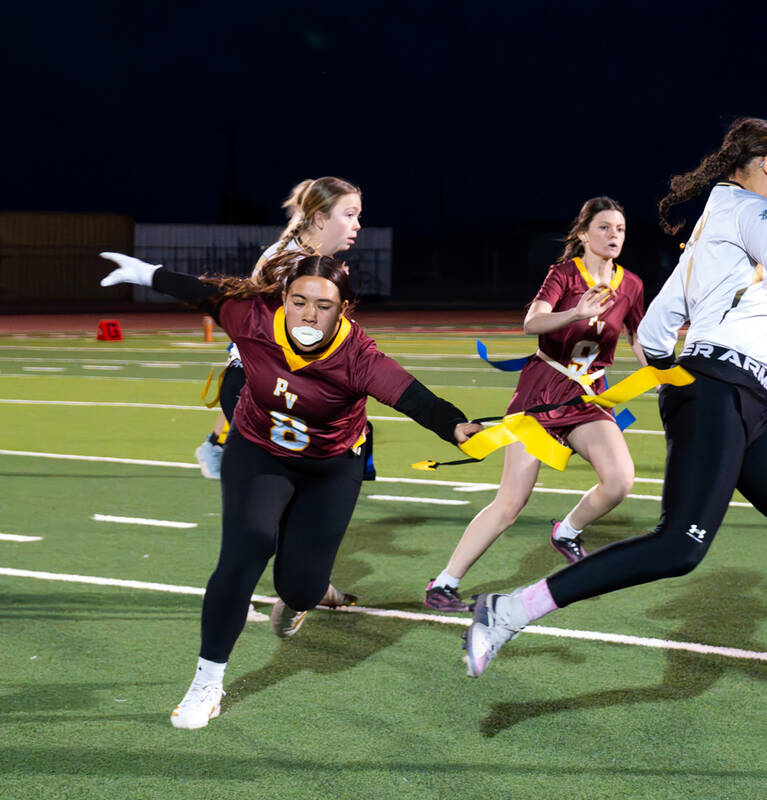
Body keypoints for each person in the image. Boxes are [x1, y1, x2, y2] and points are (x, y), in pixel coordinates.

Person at [457, 117, 767, 766]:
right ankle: (506, 611)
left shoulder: (723, 219)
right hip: (720, 391)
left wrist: (692, 380)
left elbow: (657, 328)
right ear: (762, 163)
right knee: (680, 547)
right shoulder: (748, 209)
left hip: (738, 397)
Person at [98, 250, 482, 730]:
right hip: (258, 452)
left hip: (329, 469)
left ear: (343, 309)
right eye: (299, 301)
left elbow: (415, 398)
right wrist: (145, 273)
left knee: (299, 586)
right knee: (245, 549)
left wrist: (456, 427)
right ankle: (206, 683)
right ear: (284, 298)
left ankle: (302, 598)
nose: (308, 314)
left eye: (323, 305)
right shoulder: (254, 317)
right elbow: (203, 293)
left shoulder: (358, 357)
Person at [424, 198, 647, 612]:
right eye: (603, 227)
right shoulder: (563, 274)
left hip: (587, 397)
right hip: (541, 393)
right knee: (510, 503)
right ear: (583, 234)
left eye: (620, 228)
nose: (614, 235)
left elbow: (637, 338)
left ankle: (567, 531)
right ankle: (444, 583)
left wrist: (664, 377)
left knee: (619, 480)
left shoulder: (631, 284)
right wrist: (575, 312)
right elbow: (532, 322)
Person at [195, 177, 363, 481]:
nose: (357, 225)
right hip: (258, 382)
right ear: (320, 218)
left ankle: (216, 446)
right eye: (349, 215)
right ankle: (216, 446)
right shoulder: (294, 263)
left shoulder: (307, 257)